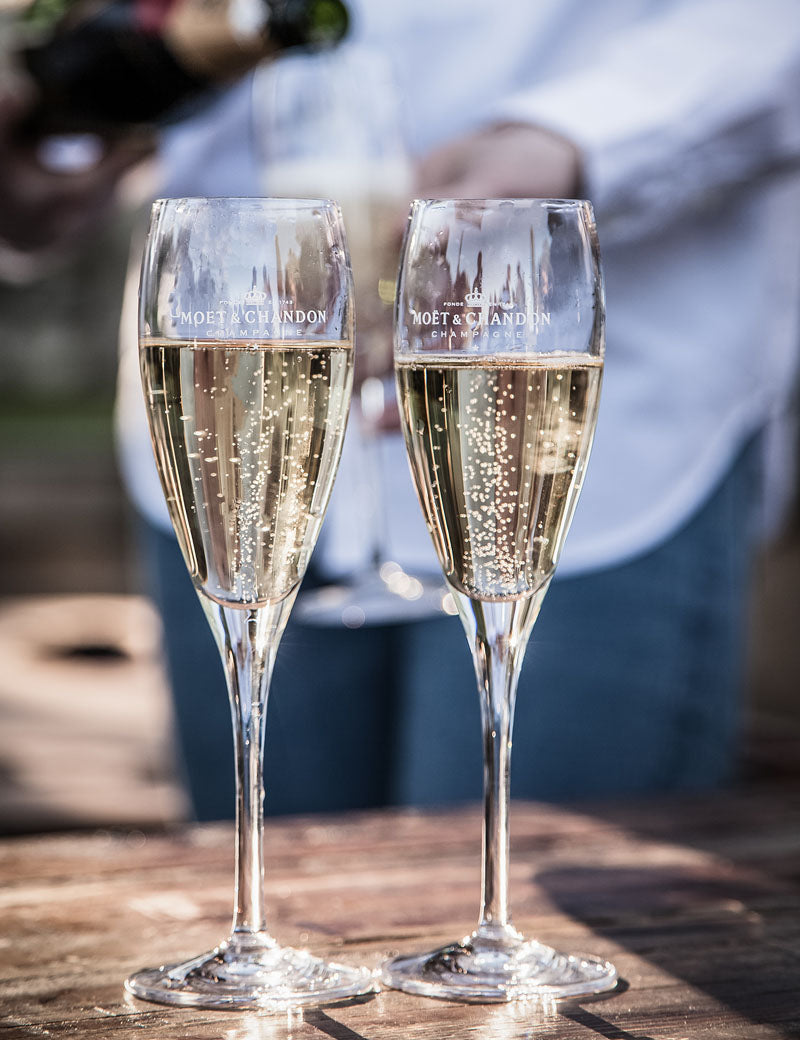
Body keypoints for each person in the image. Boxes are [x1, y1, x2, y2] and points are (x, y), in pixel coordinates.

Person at [116, 0, 800, 819]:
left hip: (598, 440)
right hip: (222, 409)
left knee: (554, 907)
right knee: (274, 907)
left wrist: (575, 136)